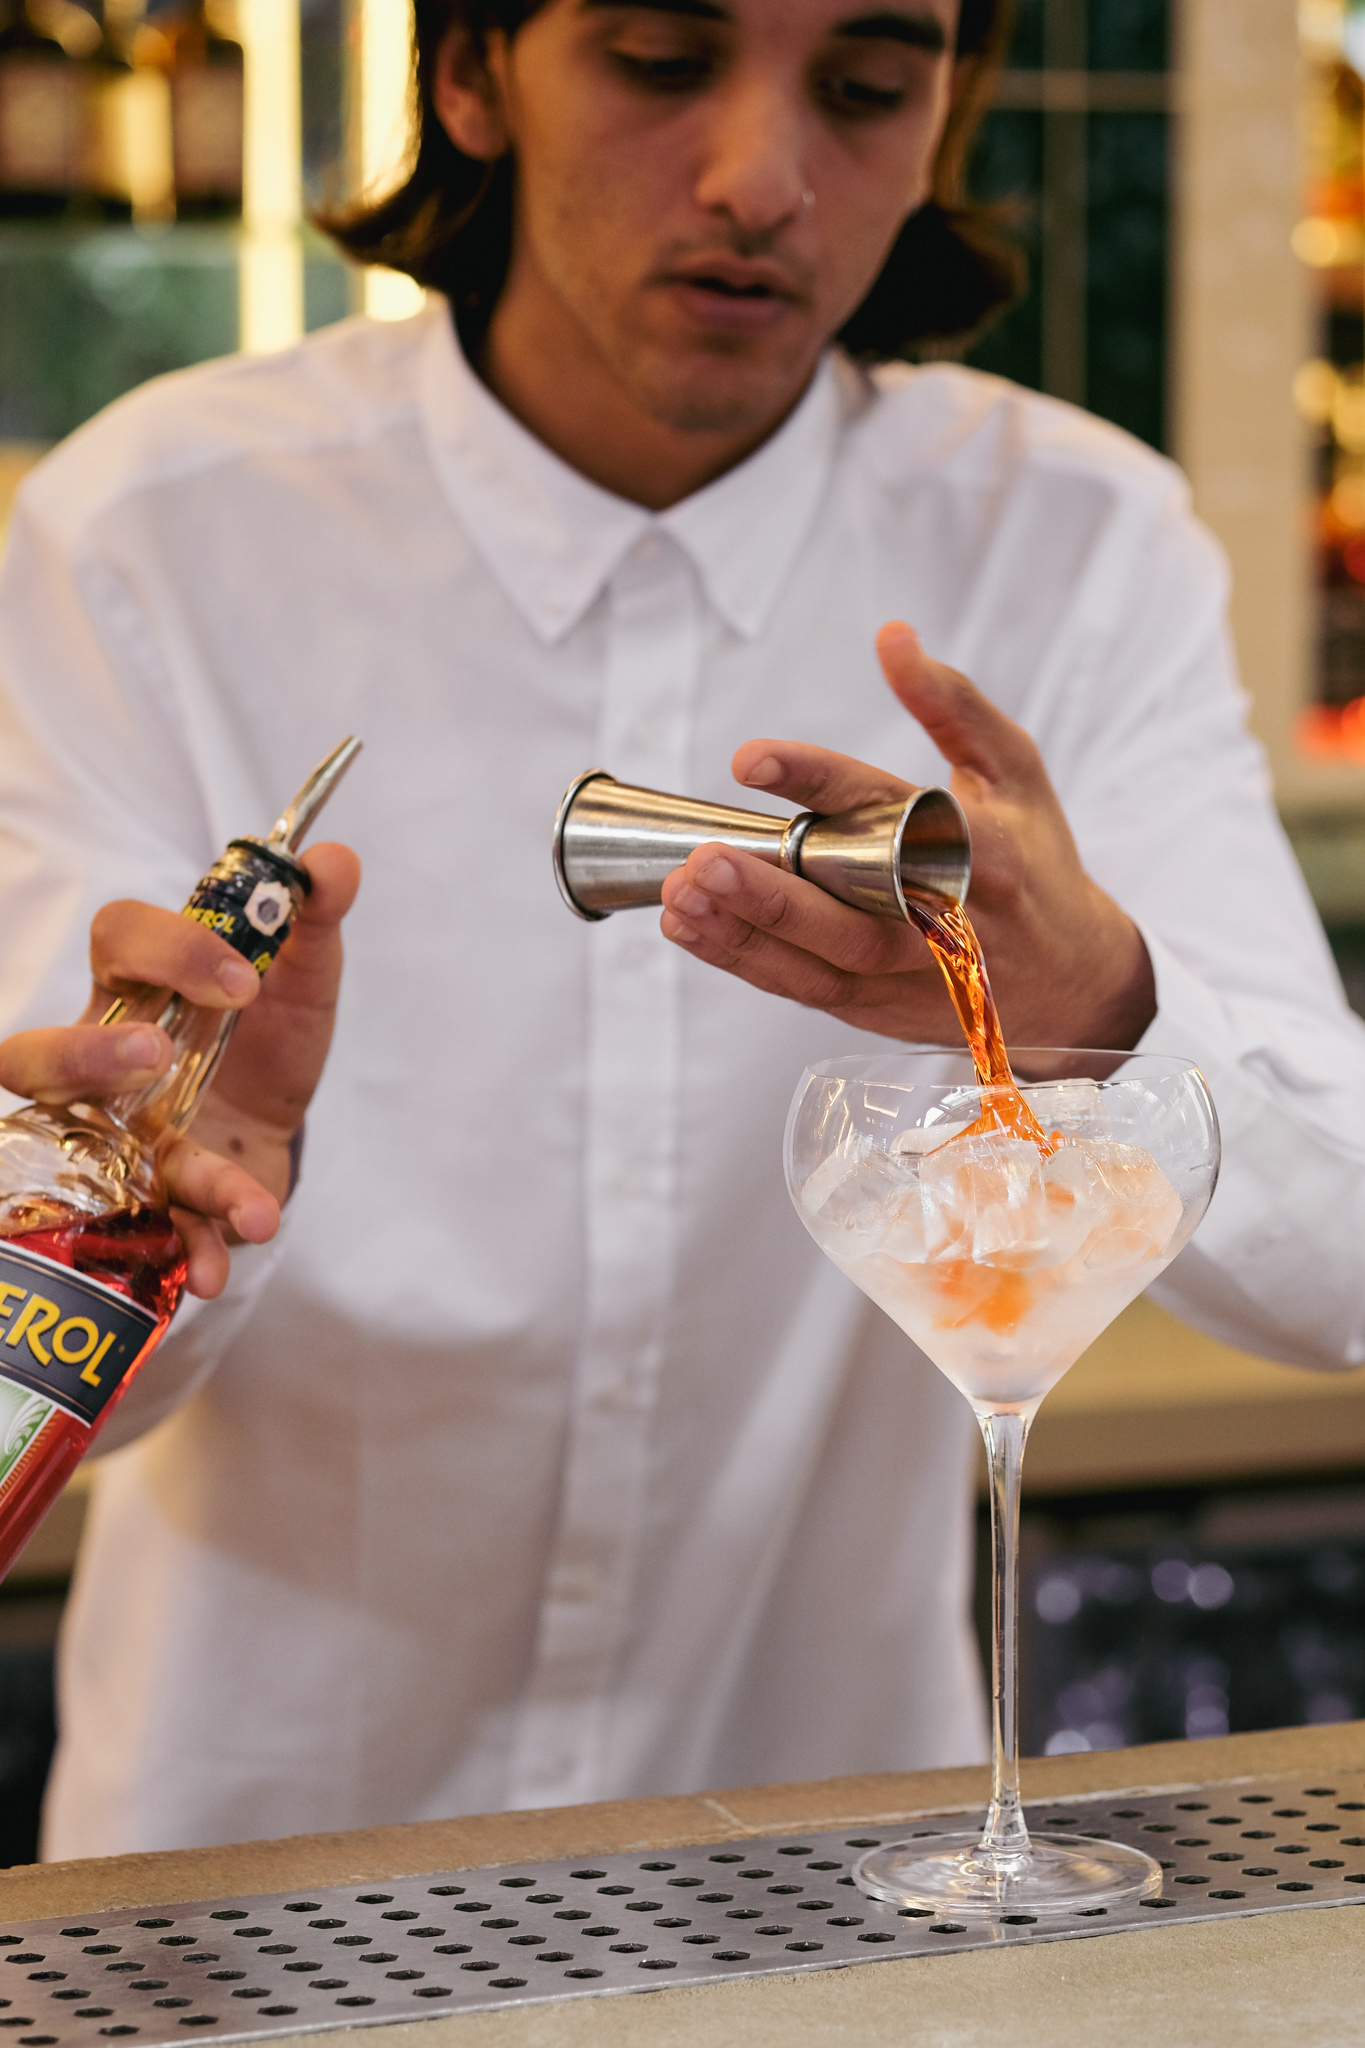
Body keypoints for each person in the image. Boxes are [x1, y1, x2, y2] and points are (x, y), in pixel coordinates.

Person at [0, 0, 1361, 1859]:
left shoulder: (1074, 545)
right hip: (255, 1889)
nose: (761, 180)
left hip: (836, 1883)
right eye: (658, 60)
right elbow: (49, 1401)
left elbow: (1336, 1275)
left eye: (865, 89)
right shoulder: (151, 536)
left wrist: (1109, 1007)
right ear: (469, 71)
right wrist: (159, 1216)